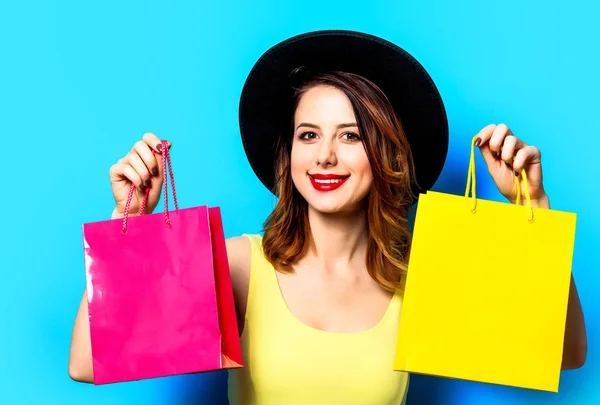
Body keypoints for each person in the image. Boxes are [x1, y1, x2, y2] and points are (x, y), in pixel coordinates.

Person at [68, 30, 587, 404]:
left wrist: (531, 213)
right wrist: (126, 225)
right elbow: (89, 363)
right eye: (309, 135)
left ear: (385, 154)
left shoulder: (421, 277)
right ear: (288, 153)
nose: (325, 158)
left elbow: (563, 354)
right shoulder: (243, 265)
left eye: (351, 135)